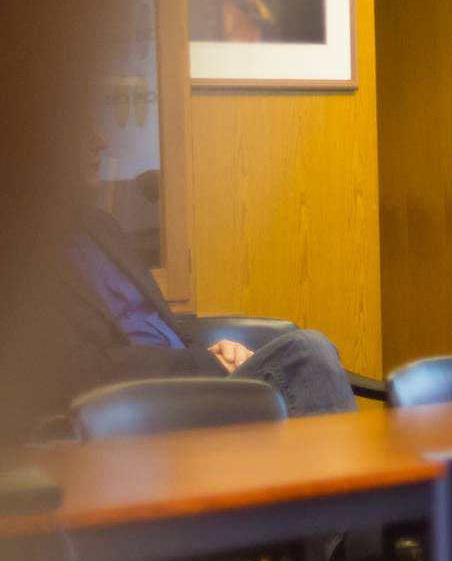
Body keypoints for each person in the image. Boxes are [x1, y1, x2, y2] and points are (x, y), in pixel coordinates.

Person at [46, 127, 357, 422]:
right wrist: (201, 364)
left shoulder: (101, 227)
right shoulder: (20, 261)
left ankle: (338, 476)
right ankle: (354, 478)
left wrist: (215, 350)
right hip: (141, 409)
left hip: (191, 382)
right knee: (306, 353)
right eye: (81, 128)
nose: (100, 142)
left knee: (309, 351)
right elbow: (74, 371)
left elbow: (156, 325)